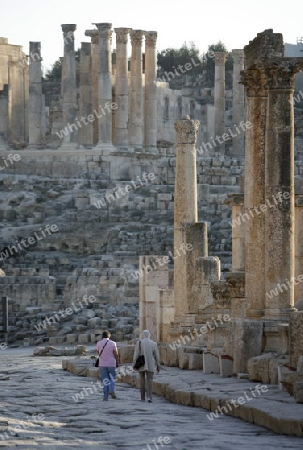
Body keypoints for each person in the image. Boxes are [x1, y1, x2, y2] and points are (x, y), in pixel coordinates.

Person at [133, 329, 160, 402]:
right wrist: (158, 365)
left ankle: (142, 397)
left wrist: (134, 364)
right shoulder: (153, 343)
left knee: (142, 380)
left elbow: (136, 355)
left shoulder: (139, 343)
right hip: (150, 364)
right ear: (149, 335)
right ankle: (149, 397)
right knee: (150, 380)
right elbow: (156, 356)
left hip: (141, 364)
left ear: (143, 335)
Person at [96, 330, 119, 401]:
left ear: (102, 336)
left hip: (102, 364)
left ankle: (105, 397)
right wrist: (117, 362)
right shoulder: (113, 343)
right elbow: (116, 354)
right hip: (111, 363)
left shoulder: (98, 343)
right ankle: (111, 389)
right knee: (112, 378)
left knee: (105, 380)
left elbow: (98, 352)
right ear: (109, 336)